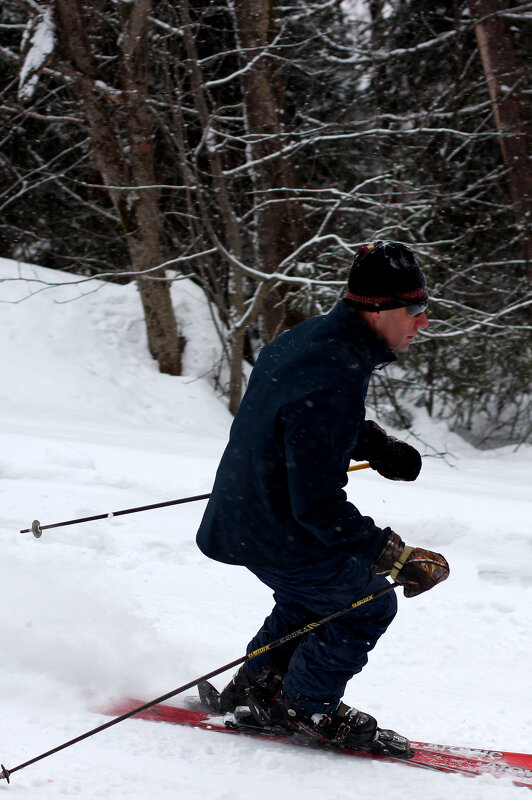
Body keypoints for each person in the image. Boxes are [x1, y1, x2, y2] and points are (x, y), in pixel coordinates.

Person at [195, 240, 450, 757]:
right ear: (377, 309)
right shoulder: (335, 372)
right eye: (415, 309)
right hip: (277, 524)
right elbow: (317, 504)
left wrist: (374, 444)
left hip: (242, 513)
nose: (423, 321)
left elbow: (303, 414)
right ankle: (307, 706)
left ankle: (255, 690)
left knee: (310, 599)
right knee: (365, 604)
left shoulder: (313, 339)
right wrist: (391, 556)